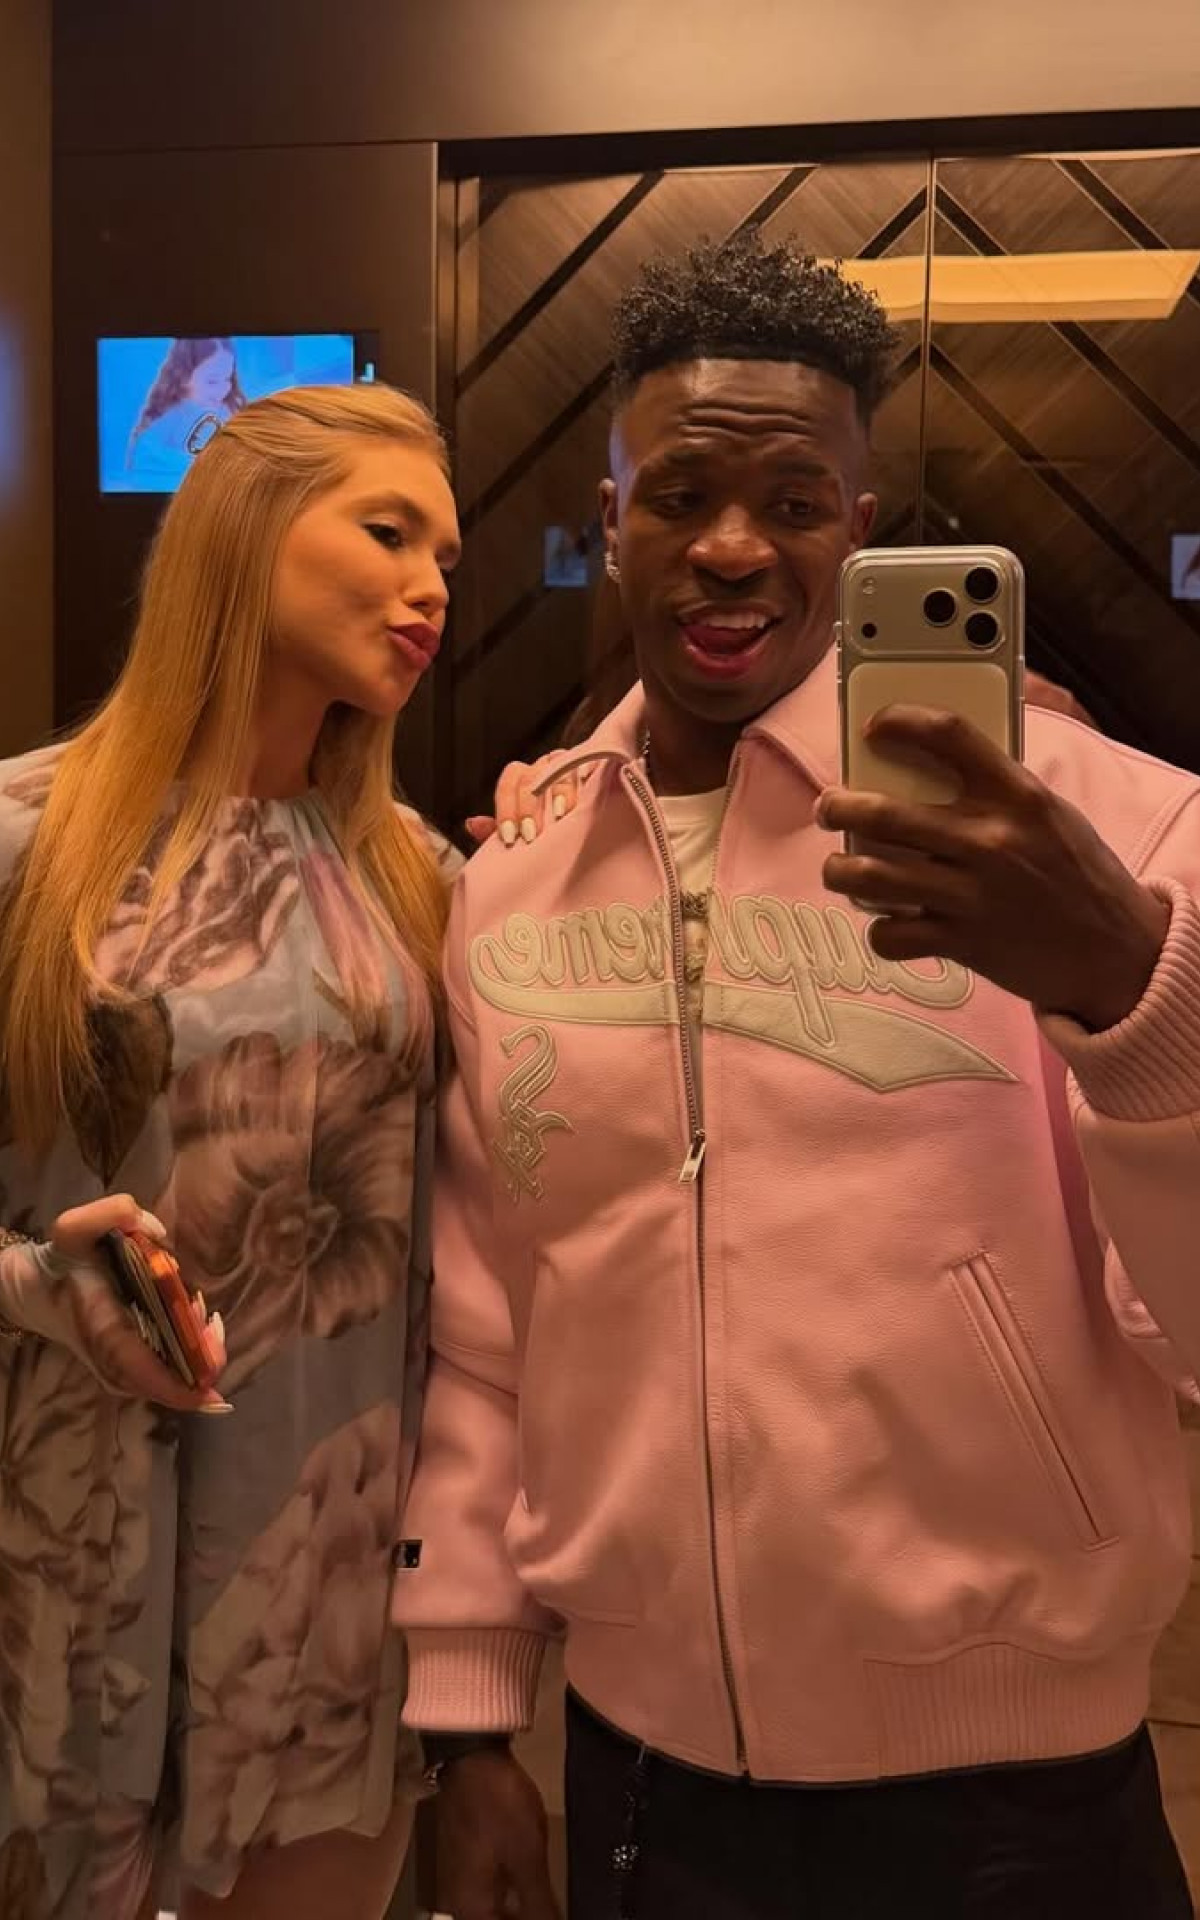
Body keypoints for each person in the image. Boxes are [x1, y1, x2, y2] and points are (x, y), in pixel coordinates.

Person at [395, 233, 1200, 1920]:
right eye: (683, 495)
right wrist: (467, 1723)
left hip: (1023, 1802)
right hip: (637, 1773)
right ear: (612, 516)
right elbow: (489, 1332)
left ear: (862, 528)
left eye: (795, 499)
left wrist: (1136, 1001)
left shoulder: (1115, 834)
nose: (734, 546)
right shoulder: (514, 886)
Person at [0, 381, 465, 1920]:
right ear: (246, 528)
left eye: (447, 559)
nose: (430, 588)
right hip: (59, 1586)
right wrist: (35, 1285)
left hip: (323, 1620)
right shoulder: (28, 846)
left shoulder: (416, 882)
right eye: (387, 532)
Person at [126, 337, 247, 480]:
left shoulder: (228, 409)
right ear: (184, 377)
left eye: (227, 378)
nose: (223, 389)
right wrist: (199, 464)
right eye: (212, 381)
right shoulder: (171, 414)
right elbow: (143, 455)